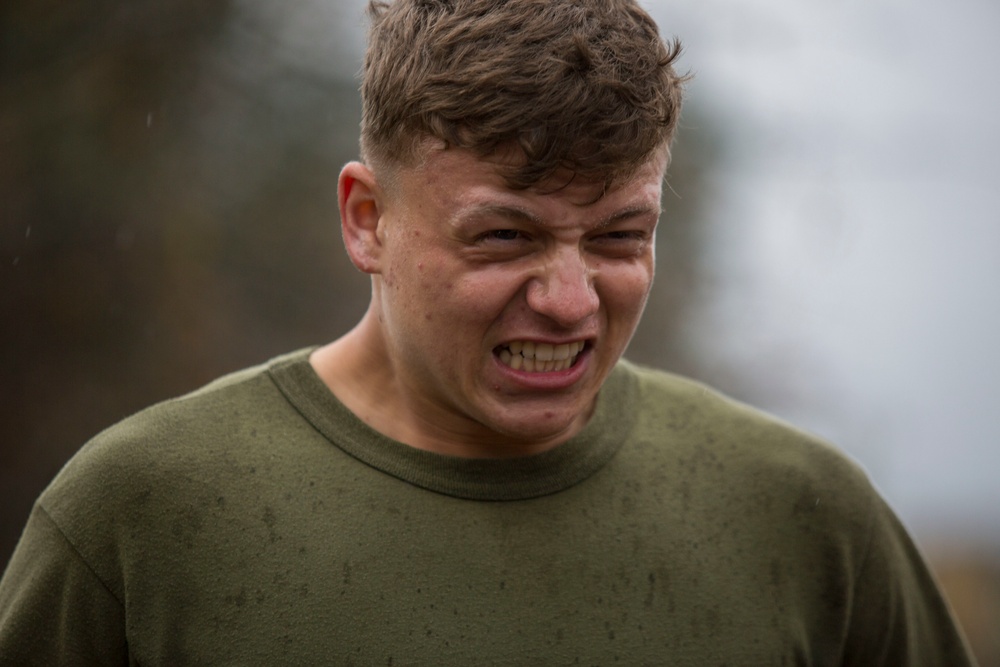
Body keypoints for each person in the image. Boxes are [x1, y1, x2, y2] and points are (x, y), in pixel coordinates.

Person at [0, 0, 978, 664]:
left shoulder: (803, 516)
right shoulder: (139, 516)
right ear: (366, 218)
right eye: (505, 235)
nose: (568, 299)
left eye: (618, 235)